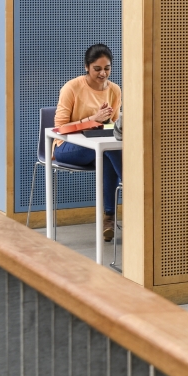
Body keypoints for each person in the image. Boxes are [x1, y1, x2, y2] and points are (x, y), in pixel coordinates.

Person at [52, 44, 124, 242]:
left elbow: (113, 129)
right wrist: (93, 119)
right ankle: (131, 189)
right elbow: (60, 127)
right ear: (86, 67)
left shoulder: (115, 90)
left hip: (98, 146)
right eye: (97, 69)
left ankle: (108, 218)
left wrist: (108, 122)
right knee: (109, 151)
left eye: (107, 68)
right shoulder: (72, 88)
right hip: (65, 147)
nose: (103, 74)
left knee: (108, 151)